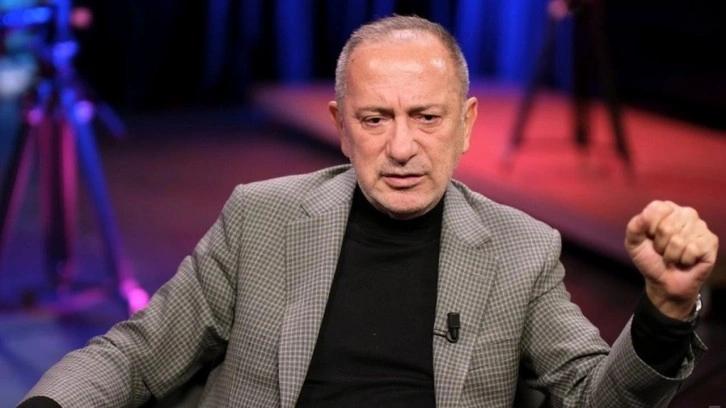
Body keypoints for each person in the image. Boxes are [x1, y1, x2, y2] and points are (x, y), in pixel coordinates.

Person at [19, 15, 718, 408]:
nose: (402, 148)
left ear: (467, 125)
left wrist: (663, 310)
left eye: (427, 118)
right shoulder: (260, 218)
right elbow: (138, 355)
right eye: (375, 119)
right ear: (340, 126)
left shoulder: (520, 249)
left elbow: (599, 399)